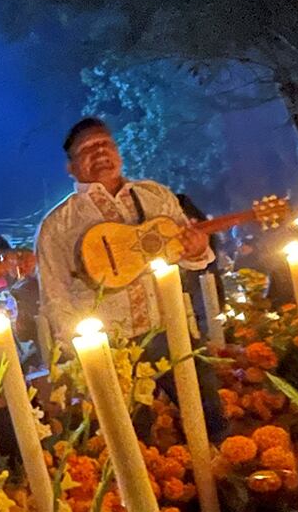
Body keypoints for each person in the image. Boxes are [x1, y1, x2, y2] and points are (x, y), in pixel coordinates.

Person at [34, 116, 212, 342]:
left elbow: (188, 255)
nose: (100, 152)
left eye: (105, 144)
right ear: (71, 167)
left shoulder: (154, 195)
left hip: (172, 328)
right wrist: (84, 353)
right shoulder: (58, 224)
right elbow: (55, 297)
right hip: (110, 346)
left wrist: (196, 248)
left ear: (117, 153)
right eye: (87, 148)